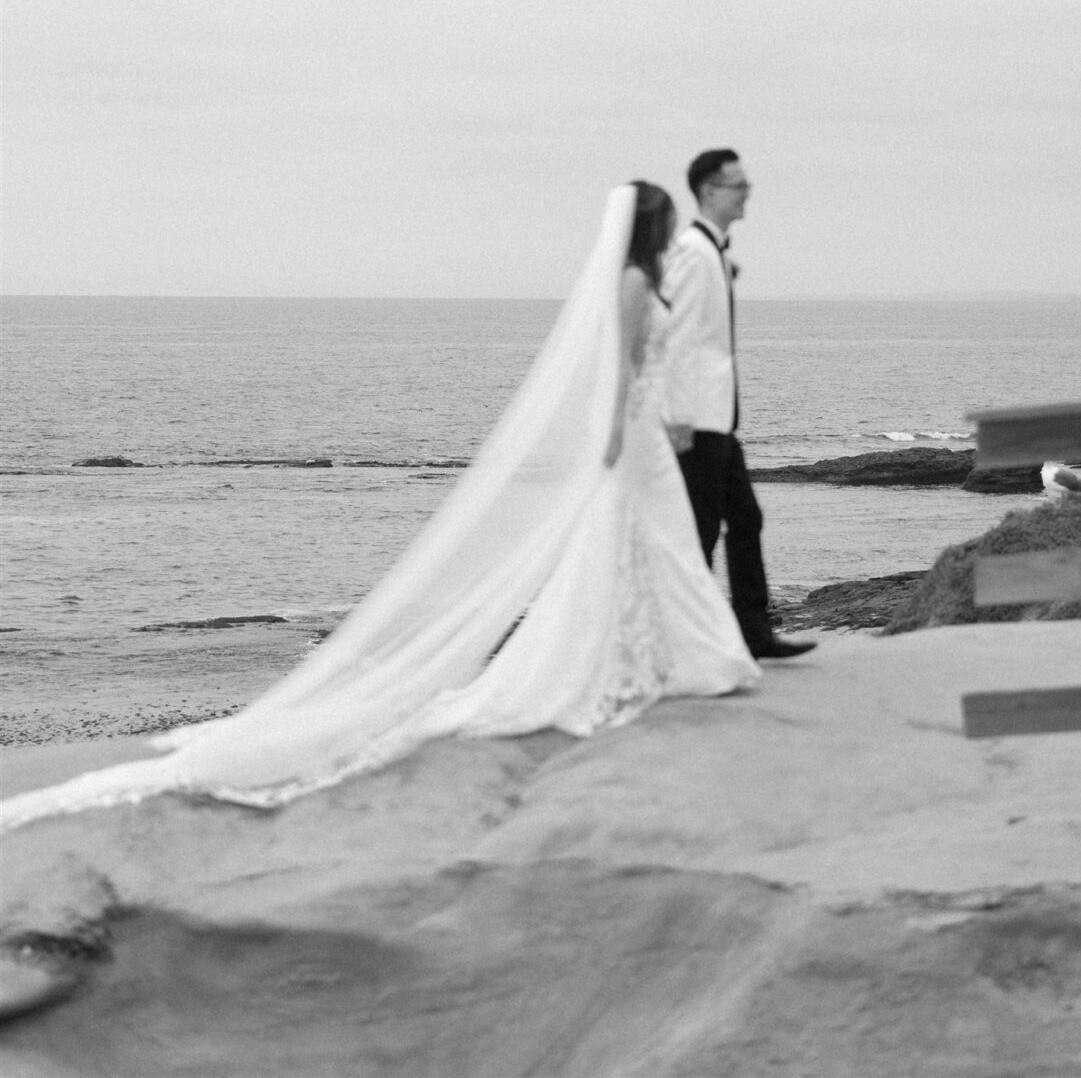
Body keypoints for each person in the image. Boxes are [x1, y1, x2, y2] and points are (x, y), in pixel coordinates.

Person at [0, 183, 758, 830]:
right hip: (632, 439)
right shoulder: (630, 282)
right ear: (651, 226)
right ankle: (666, 657)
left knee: (655, 547)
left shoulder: (648, 276)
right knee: (639, 544)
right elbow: (618, 369)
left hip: (653, 436)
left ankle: (669, 655)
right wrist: (619, 438)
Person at [663, 149, 815, 660]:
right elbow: (678, 341)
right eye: (738, 184)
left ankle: (752, 632)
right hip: (697, 421)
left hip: (718, 419)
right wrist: (679, 418)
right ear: (709, 190)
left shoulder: (714, 252)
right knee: (701, 533)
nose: (747, 192)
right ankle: (691, 639)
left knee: (745, 519)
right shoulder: (692, 252)